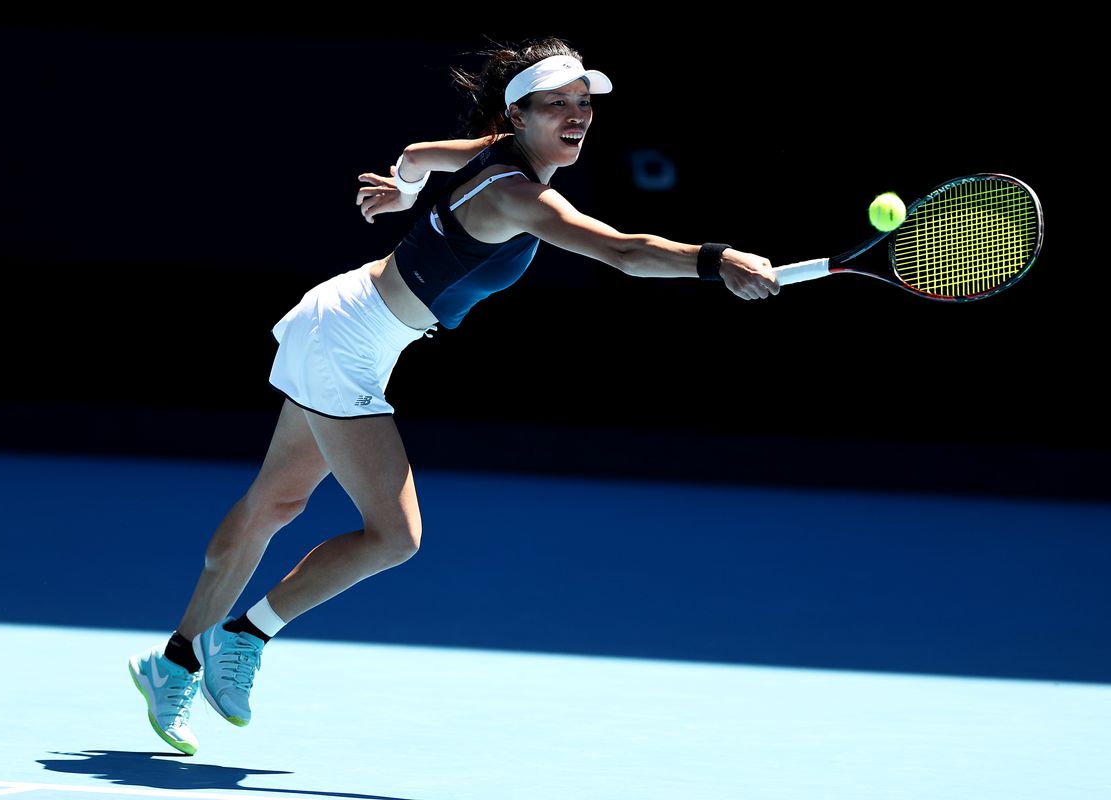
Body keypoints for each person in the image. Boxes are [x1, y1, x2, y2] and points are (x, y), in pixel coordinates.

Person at [128, 35, 779, 756]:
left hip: (348, 324)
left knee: (272, 505)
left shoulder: (489, 150)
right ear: (519, 114)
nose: (577, 115)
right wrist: (714, 260)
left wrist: (403, 190)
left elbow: (413, 155)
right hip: (345, 343)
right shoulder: (516, 194)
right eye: (556, 104)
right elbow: (623, 251)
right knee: (394, 537)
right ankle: (241, 638)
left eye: (583, 102)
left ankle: (176, 660)